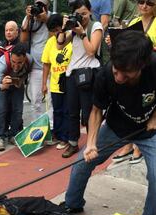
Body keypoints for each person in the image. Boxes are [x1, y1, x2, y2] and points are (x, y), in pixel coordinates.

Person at [63, 31, 156, 215]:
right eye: (117, 71)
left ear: (143, 65)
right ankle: (72, 204)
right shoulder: (107, 73)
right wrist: (90, 144)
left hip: (153, 128)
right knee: (82, 162)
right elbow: (97, 110)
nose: (119, 78)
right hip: (118, 126)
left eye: (127, 75)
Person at [112, 0, 156, 164]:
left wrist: (143, 49)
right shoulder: (134, 21)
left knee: (148, 107)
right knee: (133, 109)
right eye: (141, 2)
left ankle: (138, 148)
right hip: (136, 72)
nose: (144, 6)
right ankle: (128, 145)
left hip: (155, 73)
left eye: (150, 3)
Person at [56, 0, 103, 158]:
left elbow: (91, 51)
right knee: (72, 112)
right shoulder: (73, 28)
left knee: (89, 112)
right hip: (72, 74)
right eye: (78, 14)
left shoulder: (95, 26)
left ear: (90, 11)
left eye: (84, 13)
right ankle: (73, 143)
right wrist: (64, 28)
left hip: (88, 73)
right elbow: (59, 45)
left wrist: (82, 33)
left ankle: (92, 143)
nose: (81, 17)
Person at [41, 13, 73, 151]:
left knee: (68, 111)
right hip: (55, 83)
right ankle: (58, 135)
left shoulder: (72, 37)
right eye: (52, 31)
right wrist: (44, 83)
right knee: (57, 111)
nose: (55, 33)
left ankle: (66, 138)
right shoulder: (50, 42)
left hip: (70, 80)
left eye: (57, 30)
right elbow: (46, 64)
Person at [0, 43, 32, 151]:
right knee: (2, 109)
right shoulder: (3, 62)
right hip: (2, 84)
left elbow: (27, 73)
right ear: (10, 57)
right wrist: (3, 86)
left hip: (17, 83)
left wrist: (20, 81)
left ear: (25, 58)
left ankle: (13, 135)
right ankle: (0, 137)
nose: (16, 65)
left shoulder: (30, 60)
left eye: (20, 63)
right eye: (13, 62)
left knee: (18, 110)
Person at [20, 0, 51, 121]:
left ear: (48, 5)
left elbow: (60, 33)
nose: (39, 7)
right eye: (38, 3)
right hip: (36, 66)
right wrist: (28, 18)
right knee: (35, 102)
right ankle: (37, 130)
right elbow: (23, 39)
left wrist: (46, 20)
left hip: (52, 66)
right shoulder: (30, 17)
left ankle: (52, 130)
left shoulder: (53, 17)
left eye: (42, 4)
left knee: (51, 101)